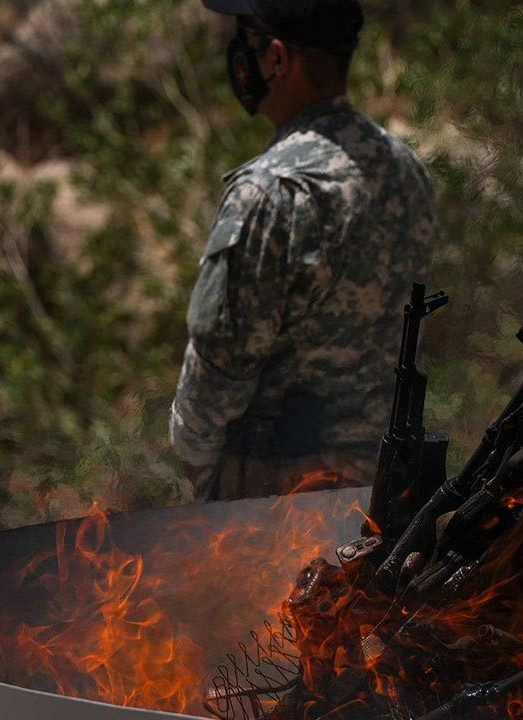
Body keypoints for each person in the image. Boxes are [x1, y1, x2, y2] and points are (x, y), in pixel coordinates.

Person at [170, 0, 439, 500]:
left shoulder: (270, 191)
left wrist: (198, 476)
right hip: (380, 494)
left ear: (276, 58)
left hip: (272, 511)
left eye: (245, 38)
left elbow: (218, 369)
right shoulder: (407, 172)